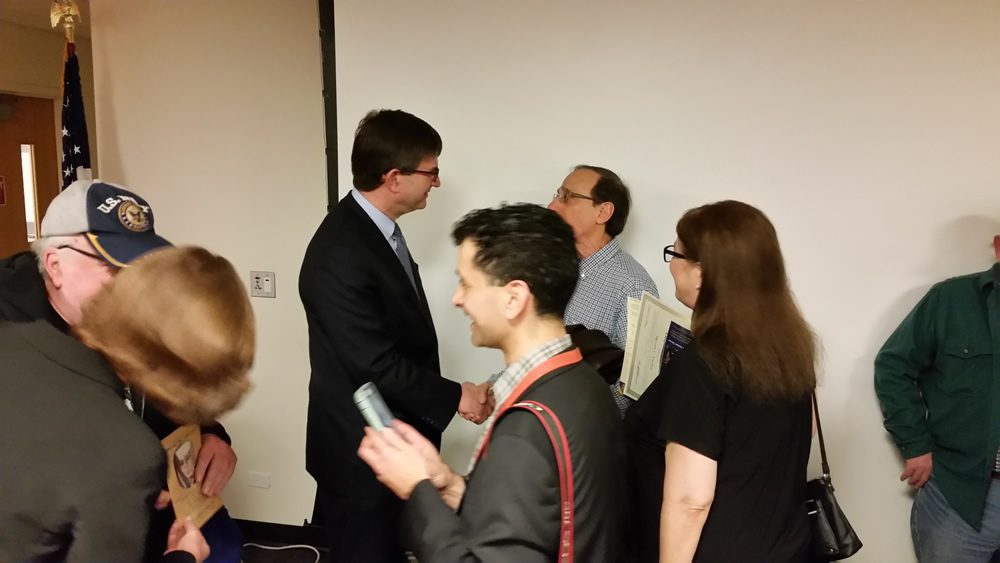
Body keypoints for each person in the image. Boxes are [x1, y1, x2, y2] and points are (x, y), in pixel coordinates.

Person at [358, 203, 627, 562]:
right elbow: (536, 516)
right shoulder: (583, 382)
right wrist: (450, 485)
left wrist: (416, 489)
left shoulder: (525, 429)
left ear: (514, 298)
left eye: (466, 283)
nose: (457, 299)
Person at [0, 179, 245, 562]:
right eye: (114, 267)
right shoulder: (14, 335)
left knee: (224, 544)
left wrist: (213, 435)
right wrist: (132, 475)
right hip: (52, 523)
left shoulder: (138, 313)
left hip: (140, 492)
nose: (134, 286)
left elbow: (169, 385)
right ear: (54, 265)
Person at [300, 109, 491, 562]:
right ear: (393, 177)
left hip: (391, 443)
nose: (437, 183)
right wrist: (456, 396)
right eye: (432, 171)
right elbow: (374, 362)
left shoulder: (377, 233)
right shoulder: (340, 251)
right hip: (359, 455)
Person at [624, 200, 816, 562]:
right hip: (785, 548)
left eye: (675, 254)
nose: (671, 267)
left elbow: (690, 501)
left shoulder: (705, 363)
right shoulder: (790, 350)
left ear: (701, 272)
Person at [874, 235, 1000, 562]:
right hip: (963, 494)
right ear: (999, 247)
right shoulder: (951, 300)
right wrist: (915, 444)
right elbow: (894, 366)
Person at [547, 165, 658, 415]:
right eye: (556, 194)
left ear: (603, 212)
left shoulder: (633, 286)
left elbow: (635, 390)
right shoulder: (555, 268)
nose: (552, 206)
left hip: (587, 441)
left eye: (567, 197)